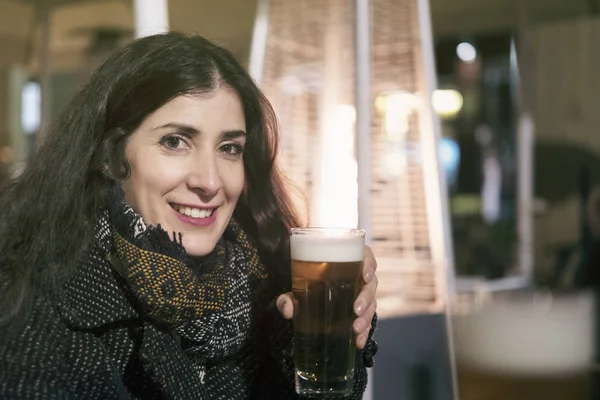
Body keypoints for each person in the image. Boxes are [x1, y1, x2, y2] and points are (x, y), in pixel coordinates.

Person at [0, 33, 378, 399]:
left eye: (229, 148)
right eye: (175, 142)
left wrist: (318, 343)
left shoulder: (267, 290)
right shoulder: (31, 308)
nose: (210, 181)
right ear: (111, 157)